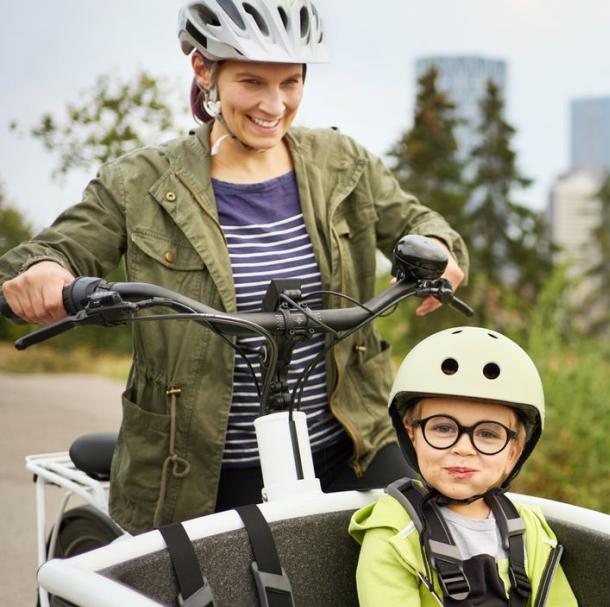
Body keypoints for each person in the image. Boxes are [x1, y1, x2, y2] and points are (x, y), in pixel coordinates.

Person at [0, 0, 468, 534]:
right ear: (204, 69)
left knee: (438, 542)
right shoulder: (139, 183)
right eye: (252, 81)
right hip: (201, 470)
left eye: (290, 82)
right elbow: (50, 254)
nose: (275, 104)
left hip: (350, 446)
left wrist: (438, 247)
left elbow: (417, 220)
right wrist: (46, 274)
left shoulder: (342, 162)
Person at [350, 327, 578, 607]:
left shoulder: (528, 530)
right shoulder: (394, 534)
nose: (463, 448)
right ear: (412, 435)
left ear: (513, 451)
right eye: (443, 428)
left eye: (487, 434)